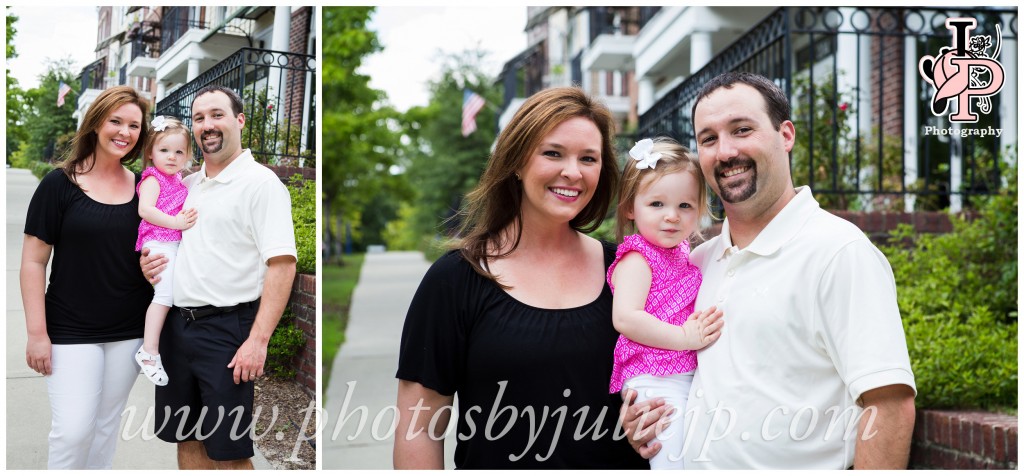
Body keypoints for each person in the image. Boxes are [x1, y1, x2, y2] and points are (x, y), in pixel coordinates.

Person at [620, 72, 916, 469]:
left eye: (742, 130)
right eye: (708, 139)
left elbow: (889, 404)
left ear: (786, 135)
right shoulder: (697, 263)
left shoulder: (838, 252)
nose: (725, 152)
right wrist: (646, 414)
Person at [393, 87, 647, 469]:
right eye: (553, 153)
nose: (573, 172)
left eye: (588, 158)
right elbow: (420, 428)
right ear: (516, 161)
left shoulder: (629, 269)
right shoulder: (455, 280)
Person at [140, 85, 297, 470]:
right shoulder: (186, 185)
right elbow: (169, 244)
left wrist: (258, 341)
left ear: (239, 121)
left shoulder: (262, 185)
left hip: (228, 334)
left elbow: (283, 264)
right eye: (198, 118)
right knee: (186, 440)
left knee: (230, 454)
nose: (207, 125)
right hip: (178, 329)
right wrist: (151, 268)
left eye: (217, 115)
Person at [20, 85, 153, 469]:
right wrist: (36, 333)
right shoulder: (59, 184)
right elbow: (32, 263)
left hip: (129, 330)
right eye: (116, 121)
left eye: (133, 125)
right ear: (95, 122)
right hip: (69, 329)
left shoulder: (146, 187)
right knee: (73, 430)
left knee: (105, 428)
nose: (124, 132)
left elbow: (159, 245)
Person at [607, 137, 723, 469]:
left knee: (697, 458)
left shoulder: (686, 254)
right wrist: (686, 338)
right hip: (652, 379)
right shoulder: (637, 257)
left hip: (684, 376)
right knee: (672, 460)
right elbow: (627, 318)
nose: (671, 216)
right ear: (631, 207)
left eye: (684, 206)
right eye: (657, 204)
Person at [134, 115, 198, 386]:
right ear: (150, 152)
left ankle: (155, 348)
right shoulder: (152, 178)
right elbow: (145, 209)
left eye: (179, 151)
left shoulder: (180, 179)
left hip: (173, 242)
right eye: (164, 150)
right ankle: (149, 351)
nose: (172, 157)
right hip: (158, 241)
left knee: (173, 293)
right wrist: (175, 222)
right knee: (164, 295)